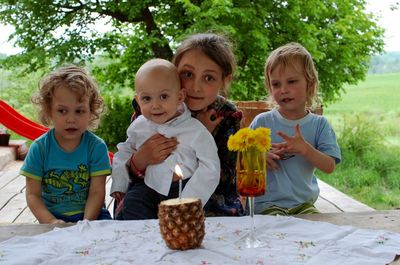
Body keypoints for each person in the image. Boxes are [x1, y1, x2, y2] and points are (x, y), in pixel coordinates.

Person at [113, 33, 244, 218]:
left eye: (208, 78)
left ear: (225, 80)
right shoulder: (150, 109)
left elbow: (225, 177)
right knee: (131, 208)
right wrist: (138, 161)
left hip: (206, 194)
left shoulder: (226, 115)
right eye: (188, 74)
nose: (195, 87)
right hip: (149, 186)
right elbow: (128, 154)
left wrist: (198, 133)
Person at [111, 58, 220, 220]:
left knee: (181, 222)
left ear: (180, 96)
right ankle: (135, 241)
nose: (155, 105)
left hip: (183, 188)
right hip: (148, 185)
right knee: (132, 205)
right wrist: (119, 182)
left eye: (163, 96)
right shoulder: (139, 125)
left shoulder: (195, 129)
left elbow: (210, 167)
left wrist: (189, 202)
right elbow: (124, 152)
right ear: (137, 99)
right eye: (147, 98)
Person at [250, 42, 341, 215]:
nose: (283, 90)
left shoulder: (319, 125)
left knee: (318, 236)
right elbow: (241, 160)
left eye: (292, 81)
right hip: (266, 204)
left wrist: (305, 149)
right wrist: (258, 157)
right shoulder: (261, 122)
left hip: (303, 204)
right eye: (276, 84)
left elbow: (329, 166)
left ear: (310, 84)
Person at [20, 66, 112, 224]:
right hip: (53, 217)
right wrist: (51, 221)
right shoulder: (40, 148)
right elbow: (32, 195)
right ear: (49, 111)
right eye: (62, 111)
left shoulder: (96, 147)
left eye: (79, 111)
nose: (71, 119)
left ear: (91, 112)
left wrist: (86, 222)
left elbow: (97, 192)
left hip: (92, 216)